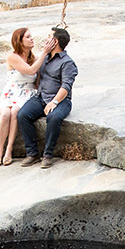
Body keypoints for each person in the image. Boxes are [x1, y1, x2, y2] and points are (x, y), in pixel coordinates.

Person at [0, 27, 56, 166]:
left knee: (16, 112)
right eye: (27, 37)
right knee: (5, 114)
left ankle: (9, 150)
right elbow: (30, 70)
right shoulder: (12, 57)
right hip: (11, 91)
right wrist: (45, 52)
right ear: (20, 41)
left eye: (31, 36)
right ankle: (0, 150)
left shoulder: (33, 58)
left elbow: (37, 78)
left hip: (26, 93)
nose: (32, 38)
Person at [17, 27, 78, 170]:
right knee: (22, 115)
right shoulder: (44, 57)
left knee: (54, 117)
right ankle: (32, 153)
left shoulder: (67, 63)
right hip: (41, 97)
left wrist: (54, 102)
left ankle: (48, 155)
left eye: (48, 36)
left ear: (55, 41)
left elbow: (66, 86)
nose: (45, 39)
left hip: (60, 100)